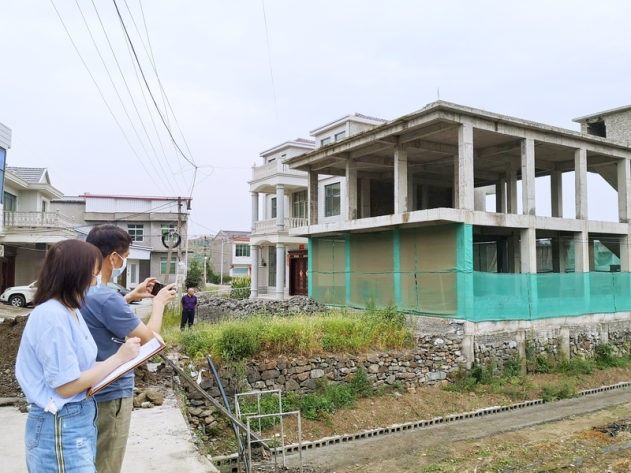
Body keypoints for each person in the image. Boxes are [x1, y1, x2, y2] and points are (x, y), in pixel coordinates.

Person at [16, 239, 141, 473]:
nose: (97, 279)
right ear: (76, 274)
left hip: (77, 419)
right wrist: (118, 359)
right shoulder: (52, 316)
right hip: (60, 425)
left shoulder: (71, 310)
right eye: (94, 273)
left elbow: (78, 368)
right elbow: (67, 386)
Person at [80, 224, 176, 473]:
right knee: (106, 464)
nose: (124, 262)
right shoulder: (107, 298)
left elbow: (99, 316)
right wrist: (159, 304)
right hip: (110, 394)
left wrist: (130, 296)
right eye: (125, 257)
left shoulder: (81, 291)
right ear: (113, 258)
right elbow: (150, 342)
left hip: (86, 389)